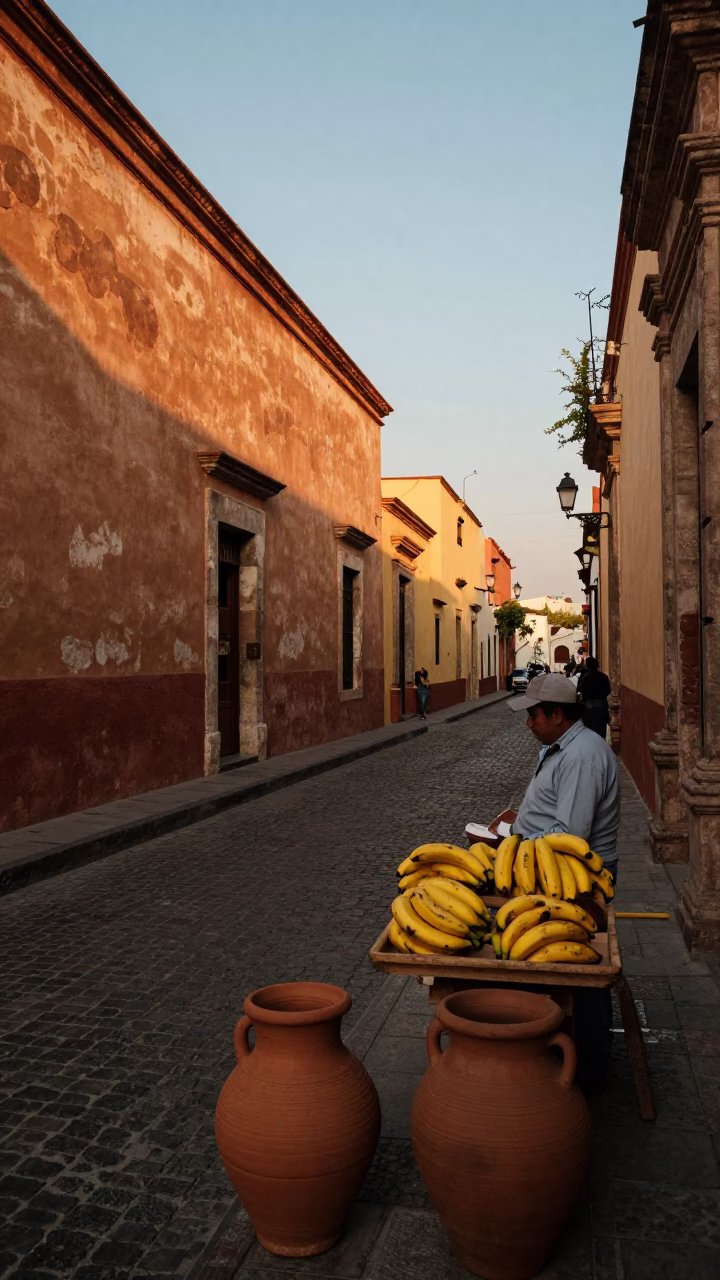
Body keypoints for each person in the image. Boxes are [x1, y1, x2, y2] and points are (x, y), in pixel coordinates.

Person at [507, 671, 620, 1088]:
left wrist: (515, 843)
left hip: (577, 880)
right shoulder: (561, 746)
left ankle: (588, 1064)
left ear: (557, 714)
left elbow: (569, 835)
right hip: (553, 868)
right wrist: (514, 824)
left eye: (534, 715)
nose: (528, 722)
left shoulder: (582, 757)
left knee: (581, 967)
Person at [577, 656, 611, 739]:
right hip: (602, 705)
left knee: (590, 731)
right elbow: (608, 691)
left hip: (589, 706)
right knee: (601, 730)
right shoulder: (604, 676)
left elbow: (579, 689)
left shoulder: (585, 676)